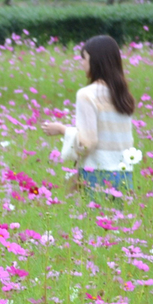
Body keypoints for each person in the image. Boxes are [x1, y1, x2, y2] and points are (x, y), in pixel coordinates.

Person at [42, 35, 136, 199]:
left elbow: (88, 143)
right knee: (119, 223)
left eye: (84, 58)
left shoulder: (87, 95)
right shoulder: (123, 95)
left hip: (97, 174)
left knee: (96, 221)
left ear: (96, 62)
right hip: (124, 175)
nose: (82, 63)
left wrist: (62, 130)